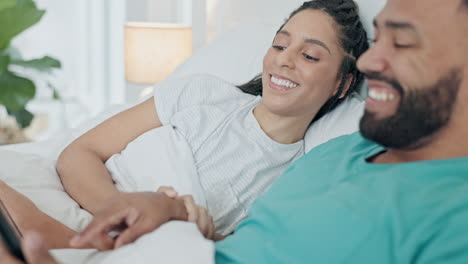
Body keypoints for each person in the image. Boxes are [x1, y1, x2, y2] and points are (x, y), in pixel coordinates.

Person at [3, 0, 468, 263]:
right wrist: (132, 211)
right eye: (279, 44)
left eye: (310, 55)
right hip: (110, 219)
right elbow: (78, 152)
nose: (284, 59)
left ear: (343, 82)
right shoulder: (205, 95)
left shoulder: (304, 167)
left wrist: (162, 220)